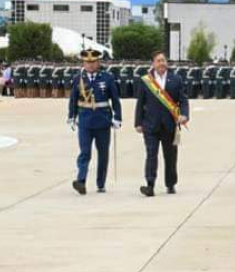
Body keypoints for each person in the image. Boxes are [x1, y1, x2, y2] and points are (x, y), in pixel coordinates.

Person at [67, 49, 122, 195]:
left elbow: (115, 100)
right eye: (87, 62)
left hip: (103, 121)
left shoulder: (108, 78)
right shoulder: (78, 78)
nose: (90, 65)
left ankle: (101, 183)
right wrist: (71, 116)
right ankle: (81, 181)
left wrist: (117, 117)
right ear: (83, 63)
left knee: (103, 153)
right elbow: (73, 99)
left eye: (93, 62)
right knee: (85, 152)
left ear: (98, 62)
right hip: (85, 121)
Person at [135, 51, 190, 196]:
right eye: (158, 61)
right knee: (151, 154)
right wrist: (138, 122)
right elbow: (140, 103)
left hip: (170, 125)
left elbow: (183, 100)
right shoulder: (146, 80)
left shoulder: (176, 79)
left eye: (163, 60)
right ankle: (150, 184)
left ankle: (170, 184)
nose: (161, 63)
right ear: (153, 63)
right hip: (150, 125)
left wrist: (184, 114)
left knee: (170, 157)